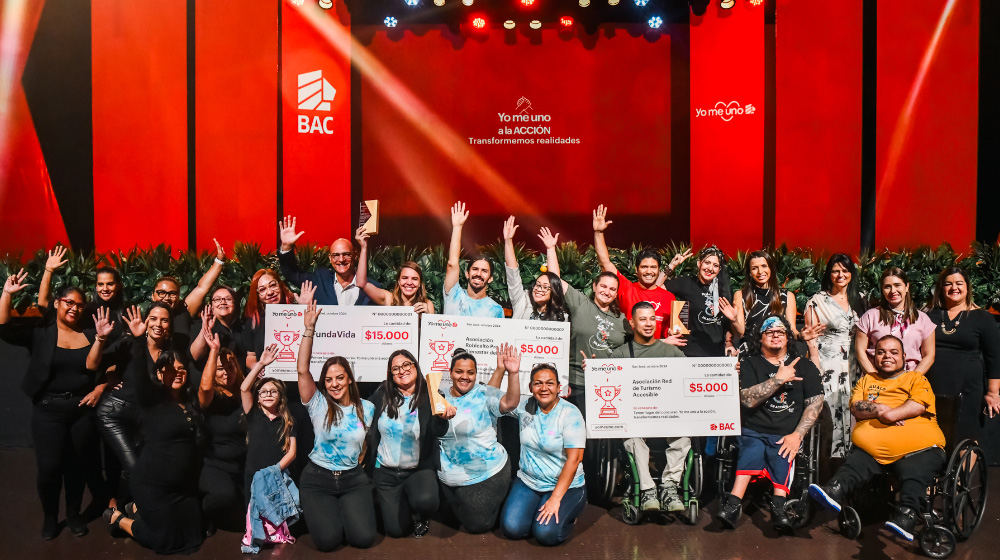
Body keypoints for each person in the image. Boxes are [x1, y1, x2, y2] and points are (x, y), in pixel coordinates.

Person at [809, 335, 947, 542]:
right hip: (872, 451)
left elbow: (917, 405)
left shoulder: (916, 379)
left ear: (904, 357)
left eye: (893, 352)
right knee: (856, 462)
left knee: (913, 471)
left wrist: (892, 414)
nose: (887, 356)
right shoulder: (867, 380)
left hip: (920, 449)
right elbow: (856, 407)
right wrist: (882, 409)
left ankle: (906, 516)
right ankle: (834, 490)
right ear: (874, 357)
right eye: (881, 352)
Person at [1, 273, 107, 539]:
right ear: (58, 303)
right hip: (49, 410)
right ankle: (50, 517)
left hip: (81, 410)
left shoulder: (91, 334)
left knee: (76, 467)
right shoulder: (41, 332)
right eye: (68, 302)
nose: (74, 308)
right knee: (49, 468)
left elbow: (104, 367)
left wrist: (98, 389)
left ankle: (72, 514)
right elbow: (3, 327)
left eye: (79, 304)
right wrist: (6, 294)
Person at [103, 320, 205, 554]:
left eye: (181, 369)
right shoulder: (151, 400)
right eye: (169, 369)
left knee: (193, 539)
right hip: (153, 483)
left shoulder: (189, 401)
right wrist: (139, 340)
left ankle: (138, 509)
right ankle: (118, 519)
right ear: (159, 374)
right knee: (165, 543)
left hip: (182, 488)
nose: (176, 373)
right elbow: (139, 373)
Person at [717, 315, 824, 532]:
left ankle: (778, 506)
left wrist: (798, 435)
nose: (775, 335)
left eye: (780, 331)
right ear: (760, 337)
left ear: (787, 337)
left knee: (782, 449)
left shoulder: (805, 366)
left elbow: (815, 404)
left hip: (786, 432)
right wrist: (778, 379)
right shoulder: (749, 364)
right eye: (769, 332)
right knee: (752, 448)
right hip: (753, 429)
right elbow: (747, 400)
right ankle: (733, 505)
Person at [296, 301, 376, 551]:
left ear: (349, 378)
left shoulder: (367, 408)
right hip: (318, 479)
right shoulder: (318, 403)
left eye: (340, 377)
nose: (334, 384)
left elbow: (364, 442)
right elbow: (302, 370)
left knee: (363, 540)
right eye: (328, 379)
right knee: (328, 542)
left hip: (353, 479)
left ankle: (345, 512)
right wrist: (309, 329)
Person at [606, 302, 688, 513]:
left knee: (684, 436)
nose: (649, 323)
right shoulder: (621, 354)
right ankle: (648, 490)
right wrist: (596, 370)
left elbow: (692, 376)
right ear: (632, 323)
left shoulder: (671, 352)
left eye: (652, 318)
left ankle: (669, 488)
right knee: (631, 437)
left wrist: (726, 370)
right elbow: (608, 384)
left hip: (667, 415)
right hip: (636, 417)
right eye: (643, 319)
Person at [436, 346, 522, 534]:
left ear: (476, 374)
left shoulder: (483, 393)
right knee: (447, 518)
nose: (464, 376)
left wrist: (513, 373)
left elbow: (510, 402)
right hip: (448, 475)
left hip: (486, 472)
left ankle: (506, 500)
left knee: (477, 525)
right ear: (450, 373)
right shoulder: (439, 396)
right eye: (459, 371)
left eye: (470, 372)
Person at [500, 364, 586, 546]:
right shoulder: (524, 406)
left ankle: (568, 516)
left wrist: (555, 499)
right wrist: (510, 372)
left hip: (564, 487)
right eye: (538, 383)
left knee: (546, 534)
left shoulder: (570, 414)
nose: (544, 388)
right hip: (529, 481)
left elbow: (575, 458)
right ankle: (539, 512)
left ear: (558, 387)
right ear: (530, 387)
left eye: (550, 383)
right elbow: (502, 401)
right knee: (512, 529)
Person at [365, 350, 447, 538]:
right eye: (396, 369)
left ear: (415, 366)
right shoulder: (382, 394)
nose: (402, 371)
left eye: (406, 365)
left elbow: (439, 431)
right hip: (386, 471)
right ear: (391, 375)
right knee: (395, 531)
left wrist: (442, 419)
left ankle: (421, 515)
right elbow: (362, 413)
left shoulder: (431, 394)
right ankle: (400, 505)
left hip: (418, 469)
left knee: (426, 500)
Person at [925, 266, 1000, 442]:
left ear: (967, 287)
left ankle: (967, 470)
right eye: (948, 284)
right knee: (933, 435)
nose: (954, 288)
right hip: (932, 387)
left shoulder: (983, 318)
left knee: (965, 436)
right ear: (941, 288)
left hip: (967, 388)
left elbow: (994, 357)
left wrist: (993, 392)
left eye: (959, 283)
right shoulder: (929, 315)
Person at [804, 254, 865, 460]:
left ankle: (851, 465)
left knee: (853, 408)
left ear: (851, 274)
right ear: (829, 274)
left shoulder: (861, 299)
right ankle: (829, 465)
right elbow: (811, 338)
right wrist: (816, 368)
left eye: (845, 271)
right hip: (828, 363)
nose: (841, 275)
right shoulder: (817, 301)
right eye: (836, 271)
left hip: (855, 363)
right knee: (831, 411)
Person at [238, 344, 298, 553]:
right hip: (253, 475)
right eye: (263, 391)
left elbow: (292, 452)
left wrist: (274, 471)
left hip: (276, 476)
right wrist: (261, 364)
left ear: (281, 396)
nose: (268, 394)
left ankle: (277, 537)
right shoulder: (253, 415)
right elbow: (244, 388)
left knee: (276, 516)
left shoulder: (288, 421)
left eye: (273, 391)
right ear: (258, 397)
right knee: (254, 514)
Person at [592, 205, 680, 340]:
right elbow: (605, 263)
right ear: (636, 270)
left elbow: (672, 331)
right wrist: (598, 233)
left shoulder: (669, 298)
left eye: (653, 267)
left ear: (658, 270)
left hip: (659, 356)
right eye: (644, 267)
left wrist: (672, 333)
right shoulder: (627, 288)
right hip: (630, 354)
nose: (649, 271)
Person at [198, 332, 248, 533]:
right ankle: (202, 512)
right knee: (224, 497)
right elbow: (205, 386)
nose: (226, 372)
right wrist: (214, 351)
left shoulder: (243, 394)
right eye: (220, 369)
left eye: (230, 366)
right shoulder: (210, 397)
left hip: (241, 465)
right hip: (215, 466)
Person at [277, 215, 380, 306]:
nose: (341, 259)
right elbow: (291, 273)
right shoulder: (319, 280)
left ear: (355, 256)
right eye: (336, 255)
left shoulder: (373, 287)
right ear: (330, 259)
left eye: (346, 254)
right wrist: (286, 247)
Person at [149, 237, 228, 350]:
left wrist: (219, 261)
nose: (166, 298)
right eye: (161, 293)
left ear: (178, 296)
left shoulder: (184, 310)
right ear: (153, 295)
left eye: (172, 294)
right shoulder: (144, 318)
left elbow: (202, 288)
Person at [660, 246, 739, 357]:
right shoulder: (686, 283)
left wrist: (728, 342)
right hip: (690, 353)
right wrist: (672, 266)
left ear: (719, 269)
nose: (710, 268)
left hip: (717, 354)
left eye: (715, 265)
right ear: (699, 263)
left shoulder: (724, 289)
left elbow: (725, 324)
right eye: (707, 263)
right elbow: (657, 288)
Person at [855, 267, 935, 375]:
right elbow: (860, 351)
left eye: (897, 285)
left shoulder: (922, 319)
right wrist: (874, 378)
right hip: (877, 380)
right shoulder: (870, 316)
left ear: (907, 287)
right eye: (887, 287)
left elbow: (929, 355)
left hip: (909, 381)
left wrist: (912, 380)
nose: (893, 291)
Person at [442, 202, 504, 318]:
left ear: (490, 278)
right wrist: (457, 227)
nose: (478, 274)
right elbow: (452, 264)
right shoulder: (454, 294)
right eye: (475, 269)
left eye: (484, 271)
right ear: (467, 273)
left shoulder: (495, 309)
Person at [242, 268, 315, 367]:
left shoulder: (297, 312)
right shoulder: (254, 321)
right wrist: (255, 366)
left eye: (273, 285)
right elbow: (250, 356)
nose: (270, 292)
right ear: (258, 295)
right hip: (268, 380)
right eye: (262, 289)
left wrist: (303, 308)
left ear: (280, 285)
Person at [501, 217, 569, 321]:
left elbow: (555, 279)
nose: (539, 289)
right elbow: (512, 274)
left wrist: (550, 249)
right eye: (538, 284)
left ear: (553, 292)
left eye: (545, 287)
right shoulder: (522, 300)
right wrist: (508, 241)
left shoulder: (560, 314)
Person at [355, 227, 435, 314]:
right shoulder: (389, 299)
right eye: (405, 278)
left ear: (419, 284)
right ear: (398, 281)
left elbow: (432, 327)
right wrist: (363, 247)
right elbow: (361, 284)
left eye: (414, 279)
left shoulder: (427, 304)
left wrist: (427, 316)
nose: (409, 282)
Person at [731, 250, 799, 352]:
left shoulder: (787, 296)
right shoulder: (740, 295)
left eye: (764, 266)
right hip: (751, 351)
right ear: (749, 272)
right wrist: (734, 319)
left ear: (770, 268)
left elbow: (791, 330)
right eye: (754, 268)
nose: (760, 272)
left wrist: (802, 336)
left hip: (778, 352)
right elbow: (741, 332)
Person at [190, 286, 248, 366]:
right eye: (217, 299)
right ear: (211, 305)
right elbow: (195, 356)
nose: (223, 302)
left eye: (228, 299)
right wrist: (205, 328)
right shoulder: (201, 325)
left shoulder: (242, 328)